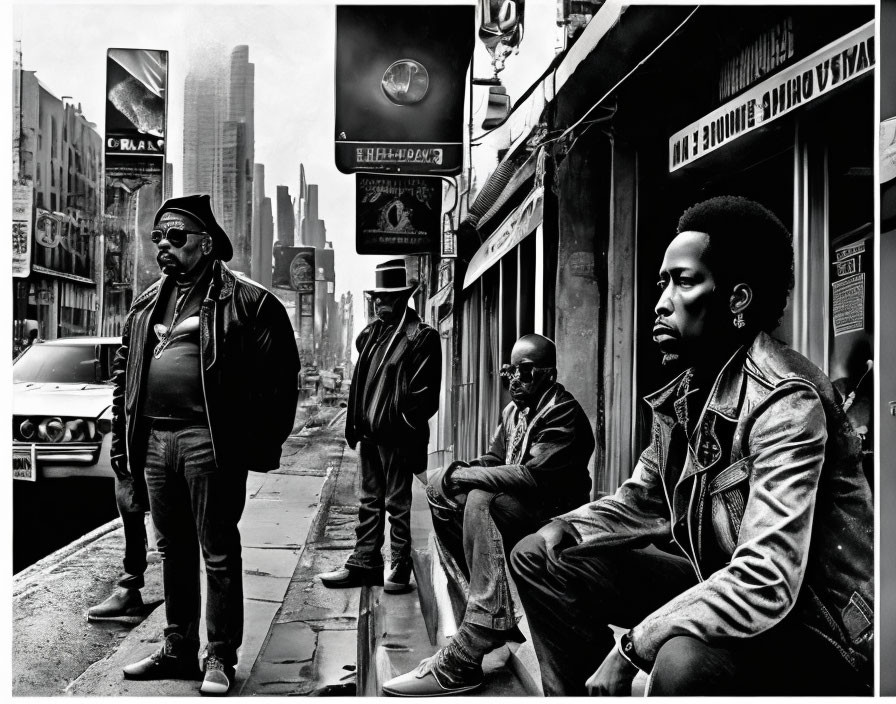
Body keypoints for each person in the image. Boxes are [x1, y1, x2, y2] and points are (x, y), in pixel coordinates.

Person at [510, 196, 874, 696]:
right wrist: (565, 527)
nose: (661, 301)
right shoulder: (687, 392)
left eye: (683, 281)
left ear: (738, 299)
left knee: (680, 658)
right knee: (542, 555)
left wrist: (632, 647)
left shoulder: (787, 402)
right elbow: (644, 498)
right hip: (726, 589)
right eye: (663, 283)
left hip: (817, 630)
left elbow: (766, 580)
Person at [113, 195, 300, 695]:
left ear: (208, 244)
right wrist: (122, 448)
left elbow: (282, 381)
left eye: (177, 238)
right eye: (159, 238)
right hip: (155, 439)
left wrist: (251, 446)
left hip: (208, 441)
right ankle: (177, 649)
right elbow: (123, 377)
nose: (164, 247)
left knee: (217, 550)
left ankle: (219, 656)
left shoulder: (249, 301)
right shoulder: (146, 300)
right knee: (172, 548)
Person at [382, 334, 594, 696]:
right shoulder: (514, 412)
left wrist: (460, 474)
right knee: (443, 496)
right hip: (524, 507)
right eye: (510, 370)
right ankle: (481, 615)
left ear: (549, 374)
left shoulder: (563, 413)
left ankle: (483, 629)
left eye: (525, 372)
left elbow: (532, 476)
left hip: (557, 516)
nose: (514, 379)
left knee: (479, 496)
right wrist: (451, 477)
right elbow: (495, 461)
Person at [317, 259, 441, 591]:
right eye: (376, 298)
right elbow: (362, 381)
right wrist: (359, 424)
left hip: (399, 436)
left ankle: (399, 565)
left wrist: (398, 424)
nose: (379, 304)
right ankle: (365, 563)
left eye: (386, 298)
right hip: (370, 432)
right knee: (369, 500)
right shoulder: (372, 334)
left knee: (397, 501)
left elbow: (425, 397)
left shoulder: (421, 337)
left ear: (402, 299)